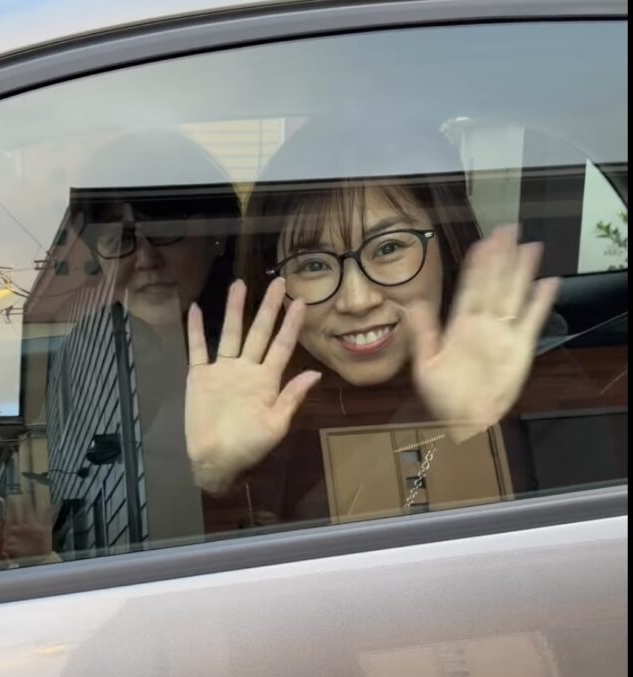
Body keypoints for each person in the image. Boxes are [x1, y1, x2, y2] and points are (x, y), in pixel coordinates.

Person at [183, 117, 560, 527]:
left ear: (447, 242)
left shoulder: (539, 380)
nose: (357, 300)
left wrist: (469, 424)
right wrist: (218, 477)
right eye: (313, 264)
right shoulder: (250, 408)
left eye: (389, 247)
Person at [56, 130, 241, 546]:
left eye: (166, 230)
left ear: (217, 235)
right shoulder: (85, 353)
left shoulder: (275, 338)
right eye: (120, 241)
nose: (146, 259)